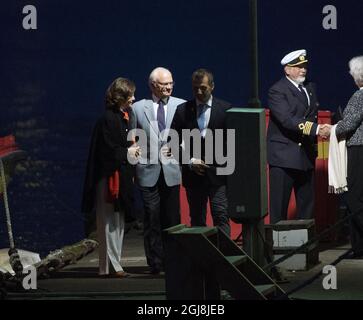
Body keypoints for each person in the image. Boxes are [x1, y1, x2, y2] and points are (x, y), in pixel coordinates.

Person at [81, 77, 140, 278]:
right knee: (108, 222)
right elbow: (107, 151)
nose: (133, 99)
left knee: (117, 221)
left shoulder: (124, 116)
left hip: (119, 176)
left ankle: (113, 264)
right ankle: (110, 266)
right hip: (108, 179)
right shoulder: (107, 119)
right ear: (121, 97)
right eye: (131, 95)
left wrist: (130, 152)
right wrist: (128, 153)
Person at [267, 49, 330, 224]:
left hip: (306, 156)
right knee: (279, 209)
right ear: (287, 69)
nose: (303, 70)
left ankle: (306, 248)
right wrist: (317, 129)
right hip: (283, 157)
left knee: (307, 209)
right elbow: (287, 120)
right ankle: (276, 249)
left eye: (304, 66)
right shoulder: (277, 91)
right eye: (298, 67)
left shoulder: (310, 87)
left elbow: (311, 114)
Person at [132, 67, 185, 274]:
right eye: (164, 84)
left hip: (172, 170)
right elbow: (133, 141)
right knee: (151, 218)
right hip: (147, 171)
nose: (169, 87)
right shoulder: (138, 108)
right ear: (153, 85)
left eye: (171, 83)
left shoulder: (181, 105)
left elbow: (188, 136)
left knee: (172, 218)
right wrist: (133, 169)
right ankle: (155, 263)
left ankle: (174, 261)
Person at [171, 68, 231, 236]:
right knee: (197, 219)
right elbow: (172, 142)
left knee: (221, 215)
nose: (198, 91)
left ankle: (224, 258)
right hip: (193, 176)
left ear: (212, 86)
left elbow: (233, 142)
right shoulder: (183, 110)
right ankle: (202, 261)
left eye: (203, 88)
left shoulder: (226, 109)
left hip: (218, 174)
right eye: (195, 88)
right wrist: (189, 162)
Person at [335, 56, 363, 258]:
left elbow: (349, 123)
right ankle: (359, 247)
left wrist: (332, 129)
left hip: (359, 149)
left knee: (354, 198)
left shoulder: (359, 96)